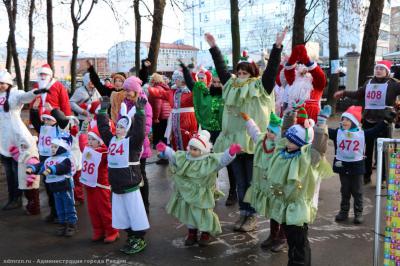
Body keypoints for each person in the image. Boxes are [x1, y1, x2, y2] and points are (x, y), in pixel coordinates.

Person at [204, 29, 286, 232]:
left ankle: (252, 217)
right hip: (234, 142)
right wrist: (214, 48)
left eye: (244, 73)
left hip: (254, 142)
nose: (240, 76)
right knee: (240, 182)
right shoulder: (231, 85)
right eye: (238, 73)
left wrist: (277, 47)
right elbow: (222, 69)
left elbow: (272, 69)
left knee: (251, 182)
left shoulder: (261, 86)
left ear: (252, 74)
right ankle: (244, 213)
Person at [266, 107, 333, 266]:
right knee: (293, 242)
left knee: (299, 243)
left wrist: (321, 126)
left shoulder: (307, 158)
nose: (287, 142)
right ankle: (294, 262)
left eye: (291, 141)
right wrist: (290, 115)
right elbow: (285, 134)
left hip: (298, 209)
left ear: (300, 143)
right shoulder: (284, 150)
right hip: (285, 206)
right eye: (288, 140)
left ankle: (299, 263)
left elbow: (319, 148)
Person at [156, 130, 241, 246]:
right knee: (190, 212)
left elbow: (221, 160)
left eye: (195, 149)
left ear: (203, 150)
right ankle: (192, 233)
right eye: (190, 148)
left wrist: (230, 153)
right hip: (188, 192)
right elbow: (175, 156)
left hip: (202, 194)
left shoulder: (209, 161)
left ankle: (206, 233)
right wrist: (165, 150)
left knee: (204, 213)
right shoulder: (186, 157)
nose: (191, 151)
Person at [97, 96, 149, 255]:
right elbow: (104, 128)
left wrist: (140, 113)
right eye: (118, 126)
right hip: (117, 185)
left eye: (122, 127)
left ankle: (139, 237)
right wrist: (102, 112)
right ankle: (130, 235)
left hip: (130, 184)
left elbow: (140, 132)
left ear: (127, 130)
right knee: (121, 213)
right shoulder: (112, 140)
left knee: (134, 212)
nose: (118, 129)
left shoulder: (132, 143)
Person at [180, 62, 237, 205]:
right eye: (215, 82)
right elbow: (193, 86)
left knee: (229, 163)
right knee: (210, 163)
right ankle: (212, 190)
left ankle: (233, 192)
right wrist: (186, 70)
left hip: (225, 134)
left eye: (220, 83)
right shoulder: (206, 96)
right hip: (210, 135)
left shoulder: (230, 97)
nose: (217, 85)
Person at [334, 60, 400, 185]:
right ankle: (366, 176)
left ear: (387, 71)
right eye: (377, 68)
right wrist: (343, 93)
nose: (378, 70)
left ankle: (383, 178)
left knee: (383, 151)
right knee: (366, 151)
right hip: (368, 121)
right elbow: (358, 94)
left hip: (384, 122)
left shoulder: (393, 84)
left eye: (381, 68)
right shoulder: (368, 82)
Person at [327, 105, 395, 224]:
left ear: (353, 122)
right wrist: (319, 121)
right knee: (345, 190)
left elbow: (375, 131)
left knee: (357, 191)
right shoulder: (338, 133)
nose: (344, 121)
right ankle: (344, 211)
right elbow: (325, 130)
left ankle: (358, 213)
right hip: (342, 165)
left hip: (357, 167)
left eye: (347, 120)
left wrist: (385, 121)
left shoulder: (361, 134)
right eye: (343, 119)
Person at [241, 111, 287, 252]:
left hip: (278, 184)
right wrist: (248, 120)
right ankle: (273, 235)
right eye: (268, 130)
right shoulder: (263, 140)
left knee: (280, 211)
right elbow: (255, 132)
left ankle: (282, 238)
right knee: (272, 211)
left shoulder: (282, 146)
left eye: (272, 131)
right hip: (266, 185)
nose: (268, 133)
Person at [0, 70, 45, 210]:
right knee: (8, 170)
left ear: (8, 83)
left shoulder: (14, 94)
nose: (1, 86)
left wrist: (35, 92)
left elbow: (25, 96)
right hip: (3, 139)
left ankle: (20, 198)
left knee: (16, 169)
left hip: (16, 137)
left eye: (3, 83)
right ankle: (13, 197)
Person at [26, 133, 78, 237]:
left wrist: (51, 170)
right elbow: (41, 165)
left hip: (65, 186)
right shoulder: (49, 159)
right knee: (59, 207)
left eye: (55, 147)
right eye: (52, 147)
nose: (53, 149)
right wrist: (33, 168)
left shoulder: (66, 159)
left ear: (62, 148)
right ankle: (62, 224)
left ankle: (71, 224)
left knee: (68, 206)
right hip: (55, 188)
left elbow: (62, 167)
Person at [30, 100, 72, 222]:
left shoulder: (59, 128)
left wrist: (53, 110)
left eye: (50, 119)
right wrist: (34, 110)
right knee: (49, 187)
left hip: (57, 160)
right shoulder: (43, 128)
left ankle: (64, 214)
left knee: (59, 187)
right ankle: (54, 212)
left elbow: (64, 120)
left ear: (55, 121)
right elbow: (35, 121)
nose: (46, 122)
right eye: (45, 119)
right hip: (45, 159)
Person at [78, 121, 119, 243]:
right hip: (89, 185)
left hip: (101, 186)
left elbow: (112, 151)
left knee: (104, 210)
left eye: (92, 139)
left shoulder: (104, 152)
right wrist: (83, 134)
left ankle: (112, 231)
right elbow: (82, 144)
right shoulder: (88, 149)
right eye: (89, 139)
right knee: (92, 210)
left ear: (99, 141)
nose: (89, 142)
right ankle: (98, 231)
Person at [148, 70, 197, 151]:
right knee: (175, 138)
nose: (174, 81)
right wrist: (148, 88)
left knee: (187, 138)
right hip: (175, 119)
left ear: (182, 80)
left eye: (176, 79)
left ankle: (188, 158)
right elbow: (160, 93)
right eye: (174, 79)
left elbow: (197, 87)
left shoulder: (191, 92)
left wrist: (194, 73)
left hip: (188, 119)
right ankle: (177, 156)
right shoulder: (172, 92)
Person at [282, 44, 326, 121]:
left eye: (304, 64)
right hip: (293, 120)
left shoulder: (316, 83)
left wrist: (307, 60)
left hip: (311, 120)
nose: (302, 66)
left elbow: (319, 75)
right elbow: (288, 72)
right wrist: (293, 57)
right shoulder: (294, 80)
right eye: (300, 63)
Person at [9, 133, 41, 215]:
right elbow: (18, 158)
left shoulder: (32, 156)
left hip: (31, 182)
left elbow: (34, 169)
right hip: (25, 180)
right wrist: (14, 151)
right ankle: (30, 207)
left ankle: (34, 209)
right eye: (21, 146)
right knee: (28, 196)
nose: (22, 148)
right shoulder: (24, 154)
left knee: (33, 196)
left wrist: (30, 180)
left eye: (25, 146)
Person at [147, 73, 171, 153]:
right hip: (166, 114)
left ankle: (163, 155)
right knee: (164, 135)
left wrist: (156, 117)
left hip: (160, 115)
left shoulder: (156, 88)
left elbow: (158, 104)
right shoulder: (164, 87)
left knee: (159, 136)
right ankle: (164, 155)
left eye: (151, 79)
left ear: (154, 80)